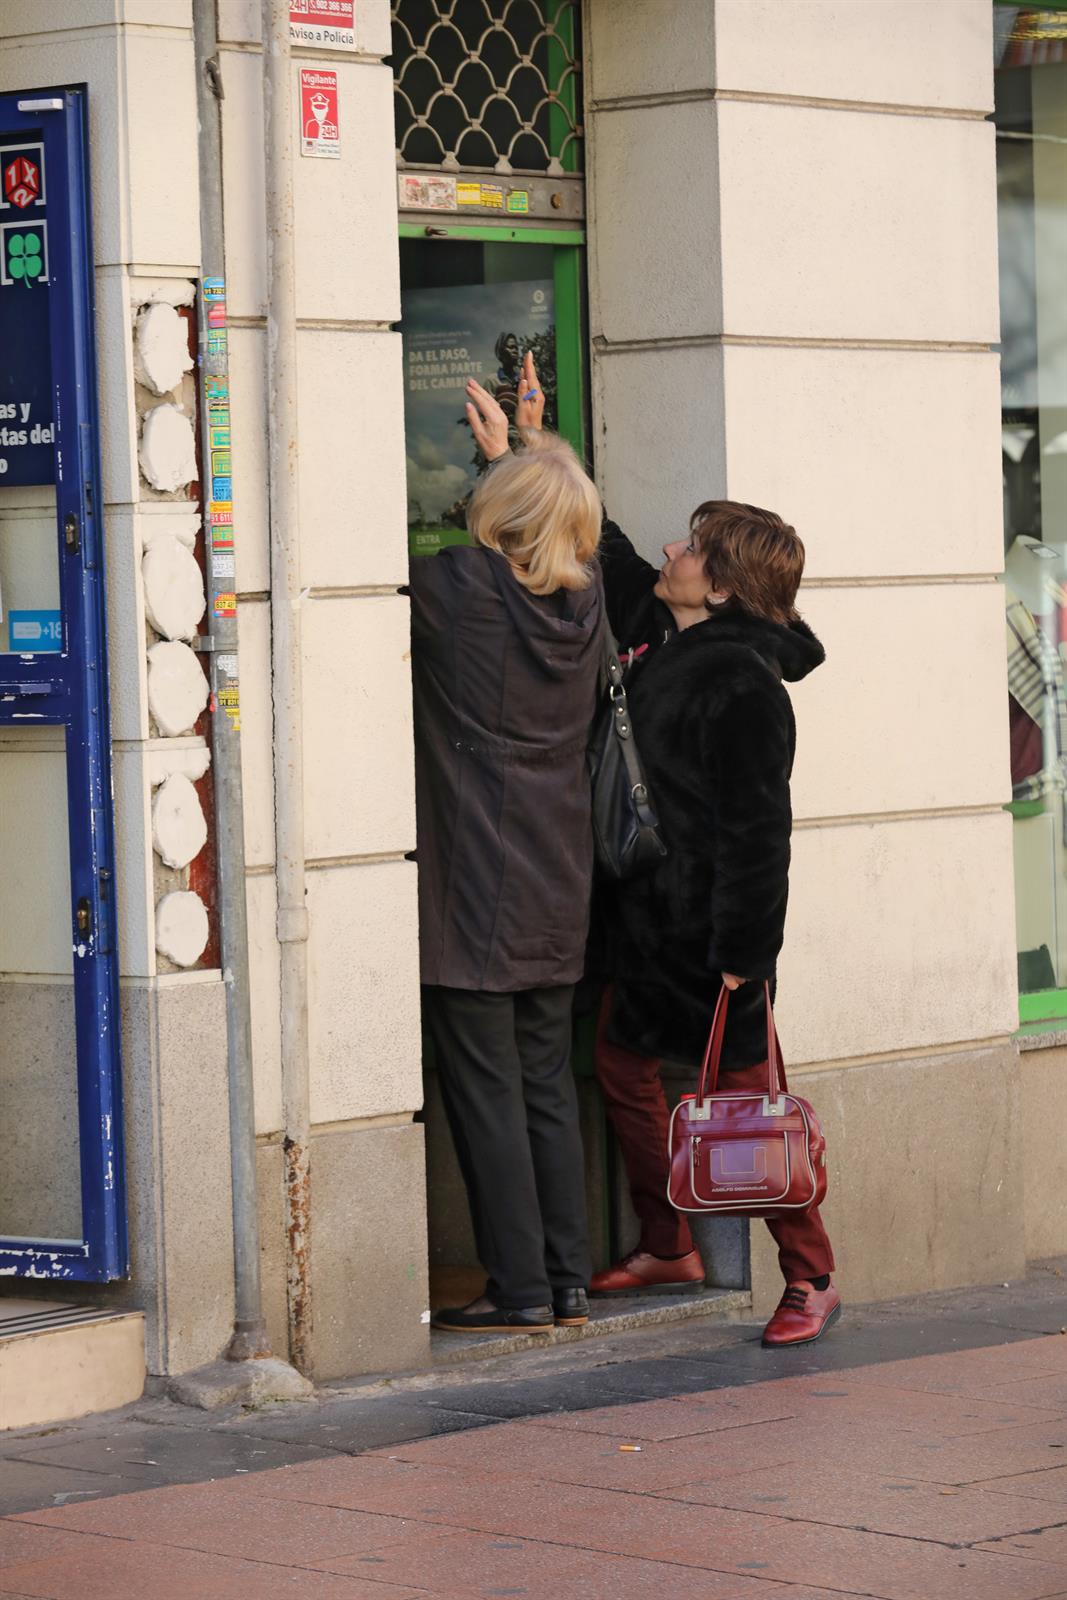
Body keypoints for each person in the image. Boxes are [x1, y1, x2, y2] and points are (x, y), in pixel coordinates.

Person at [590, 501, 840, 1348]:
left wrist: (742, 958)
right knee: (622, 1071)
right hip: (647, 930)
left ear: (724, 587)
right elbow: (617, 559)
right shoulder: (677, 636)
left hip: (712, 945)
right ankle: (668, 1244)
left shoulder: (741, 683)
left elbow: (759, 832)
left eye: (693, 549)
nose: (674, 550)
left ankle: (810, 1277)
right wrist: (533, 441)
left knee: (743, 1119)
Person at [411, 368, 603, 1335]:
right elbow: (558, 533)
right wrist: (524, 452)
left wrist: (505, 460)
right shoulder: (585, 608)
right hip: (556, 880)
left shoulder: (462, 592)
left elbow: (447, 550)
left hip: (475, 885)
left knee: (487, 1096)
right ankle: (565, 1281)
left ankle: (519, 1290)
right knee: (543, 1089)